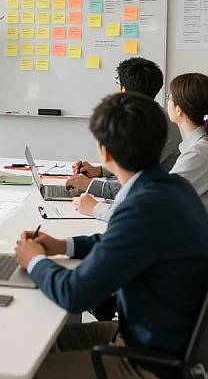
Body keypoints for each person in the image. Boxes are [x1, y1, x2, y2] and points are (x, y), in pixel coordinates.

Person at [15, 92, 208, 379]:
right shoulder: (171, 188)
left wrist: (34, 261)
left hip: (147, 361)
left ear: (104, 153)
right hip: (157, 334)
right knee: (30, 347)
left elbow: (74, 294)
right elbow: (117, 242)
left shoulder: (141, 207)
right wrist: (63, 245)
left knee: (21, 370)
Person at [66, 57, 181, 219]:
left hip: (154, 207)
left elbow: (134, 183)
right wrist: (98, 171)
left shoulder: (157, 126)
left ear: (124, 90)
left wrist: (90, 185)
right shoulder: (152, 117)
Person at [167, 73, 208, 209]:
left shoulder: (199, 152)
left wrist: (99, 208)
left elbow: (158, 199)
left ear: (178, 110)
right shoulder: (198, 147)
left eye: (169, 97)